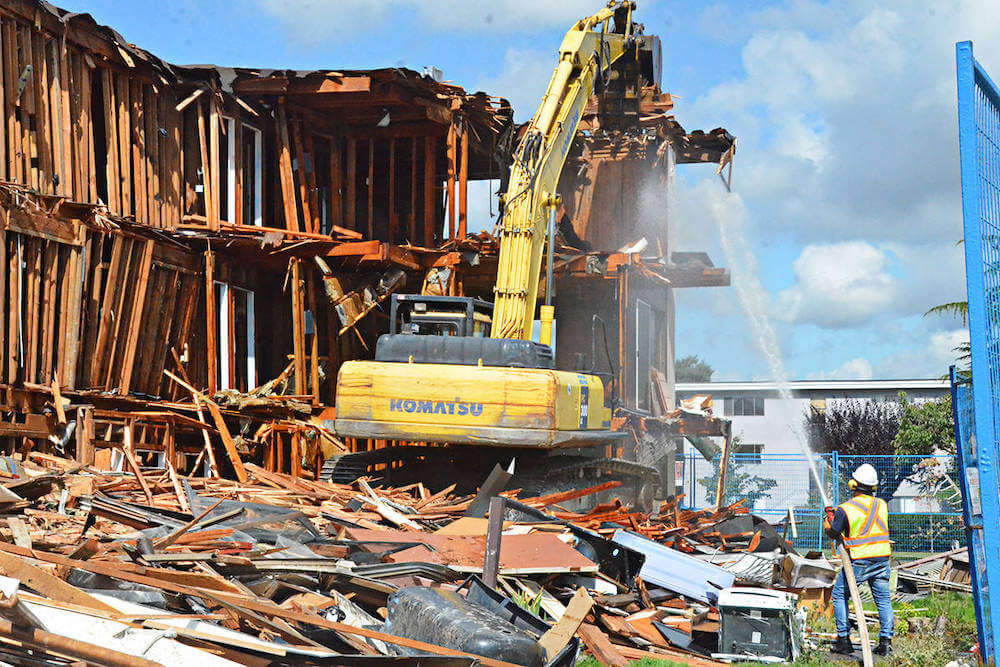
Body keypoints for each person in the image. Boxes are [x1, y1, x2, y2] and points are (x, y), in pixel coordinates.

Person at [823, 463, 894, 657]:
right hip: (882, 558)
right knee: (883, 600)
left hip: (860, 560)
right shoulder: (882, 504)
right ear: (873, 487)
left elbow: (833, 532)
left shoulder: (846, 509)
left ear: (853, 484)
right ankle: (885, 643)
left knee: (839, 595)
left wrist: (828, 521)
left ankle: (844, 640)